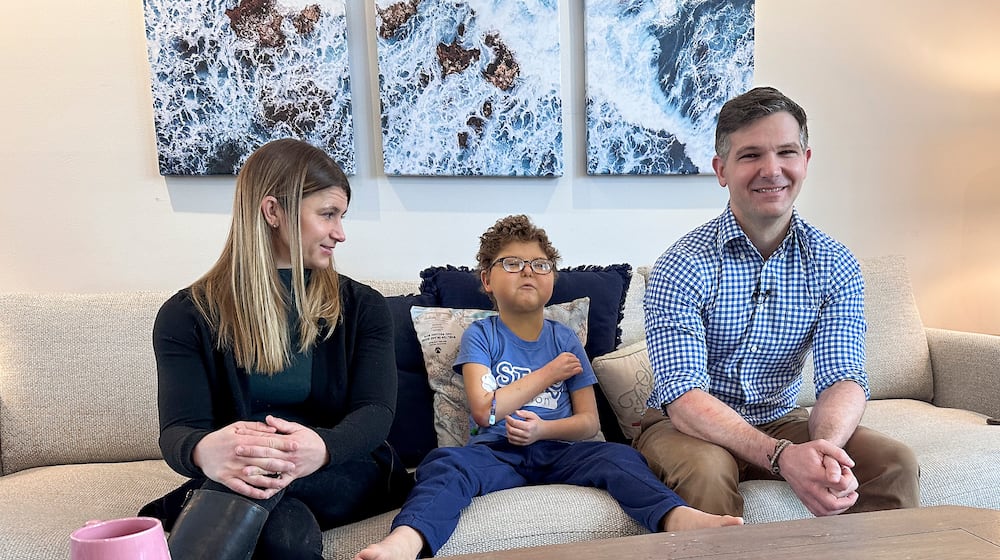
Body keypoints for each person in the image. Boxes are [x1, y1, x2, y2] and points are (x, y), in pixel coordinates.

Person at [355, 215, 742, 560]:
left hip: (563, 451)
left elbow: (588, 422)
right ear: (487, 280)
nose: (528, 271)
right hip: (495, 453)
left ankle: (678, 516)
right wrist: (548, 373)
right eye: (512, 263)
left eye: (539, 264)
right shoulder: (481, 336)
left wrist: (543, 429)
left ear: (552, 278)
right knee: (443, 466)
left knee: (620, 458)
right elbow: (484, 410)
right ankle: (405, 542)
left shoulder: (565, 339)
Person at [635, 87, 921, 518]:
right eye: (750, 155)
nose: (772, 170)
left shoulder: (835, 263)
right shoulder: (682, 265)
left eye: (786, 152)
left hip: (782, 416)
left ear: (806, 161)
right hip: (687, 428)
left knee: (894, 463)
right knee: (707, 472)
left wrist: (823, 448)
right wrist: (781, 455)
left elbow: (844, 377)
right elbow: (684, 396)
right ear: (721, 170)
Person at [140, 138, 411, 560]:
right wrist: (202, 451)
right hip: (245, 476)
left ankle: (173, 521)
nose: (340, 233)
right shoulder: (186, 315)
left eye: (341, 216)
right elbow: (179, 429)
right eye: (328, 215)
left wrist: (320, 448)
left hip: (342, 468)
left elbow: (375, 413)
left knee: (249, 482)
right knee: (284, 530)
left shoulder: (363, 308)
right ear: (273, 211)